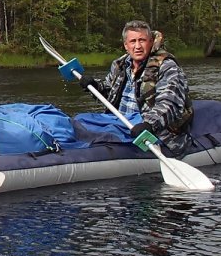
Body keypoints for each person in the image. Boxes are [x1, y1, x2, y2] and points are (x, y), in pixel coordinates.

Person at [81, 19, 194, 156]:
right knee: (81, 120)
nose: (138, 46)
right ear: (126, 45)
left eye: (142, 40)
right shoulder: (120, 65)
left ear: (151, 42)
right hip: (119, 122)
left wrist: (149, 124)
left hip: (149, 127)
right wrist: (95, 86)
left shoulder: (167, 66)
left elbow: (170, 104)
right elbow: (110, 92)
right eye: (133, 41)